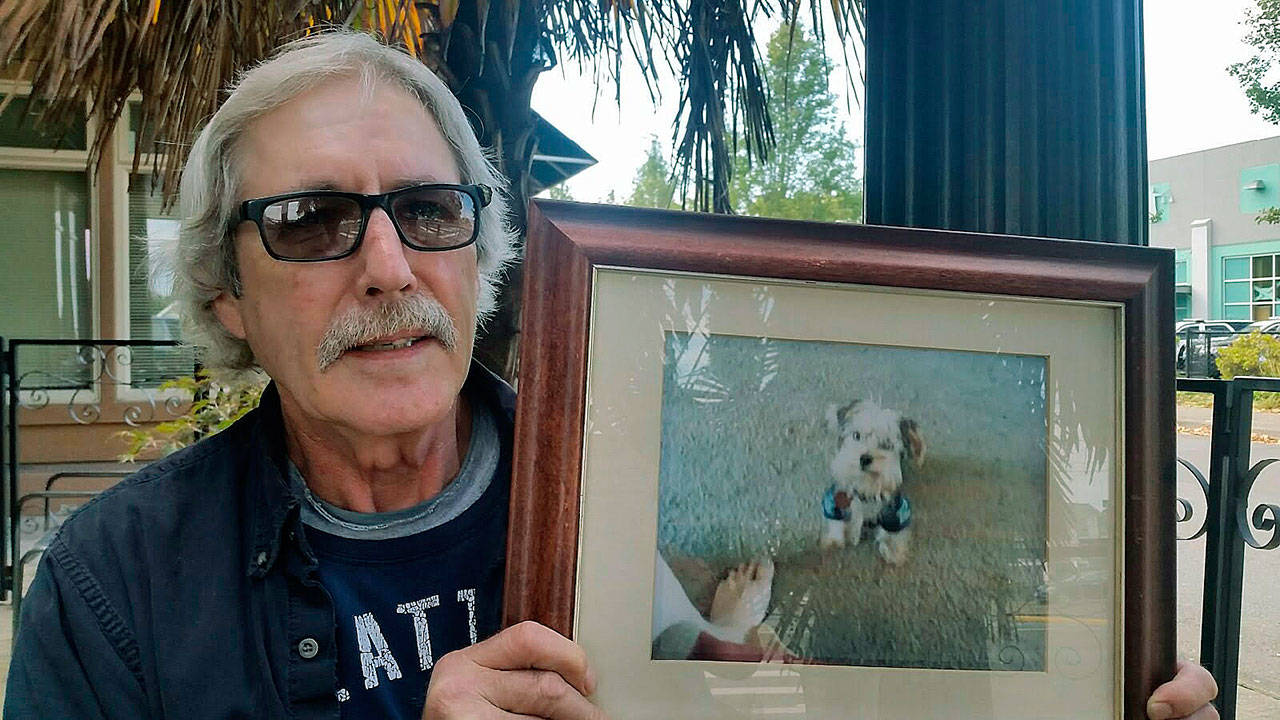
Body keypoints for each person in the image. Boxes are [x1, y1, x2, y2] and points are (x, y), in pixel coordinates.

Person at [4, 30, 1218, 720]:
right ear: (225, 289)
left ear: (480, 255)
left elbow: (742, 691)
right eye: (313, 220)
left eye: (429, 211)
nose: (385, 267)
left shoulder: (615, 486)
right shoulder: (116, 589)